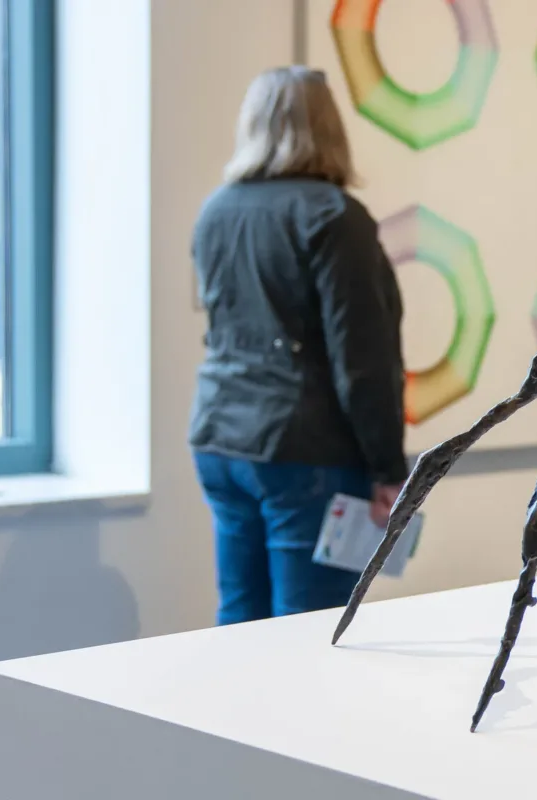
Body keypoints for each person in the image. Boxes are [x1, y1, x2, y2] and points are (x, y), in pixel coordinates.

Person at [188, 66, 407, 626]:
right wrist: (388, 469)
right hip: (304, 447)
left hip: (220, 438)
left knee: (240, 616)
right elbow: (362, 358)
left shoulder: (216, 211)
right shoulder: (335, 216)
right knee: (304, 628)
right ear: (330, 127)